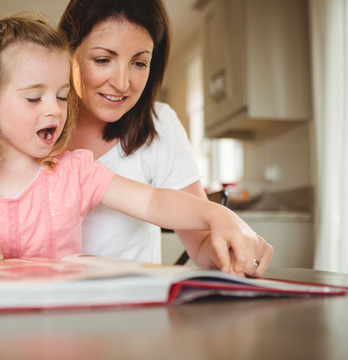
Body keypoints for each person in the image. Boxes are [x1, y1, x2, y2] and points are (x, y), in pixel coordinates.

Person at [0, 14, 270, 277]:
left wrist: (217, 215)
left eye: (62, 97)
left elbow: (152, 201)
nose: (55, 110)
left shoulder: (73, 170)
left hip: (59, 328)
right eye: (33, 99)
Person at [58, 0, 273, 269]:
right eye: (103, 60)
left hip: (135, 304)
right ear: (66, 52)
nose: (123, 83)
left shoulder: (159, 125)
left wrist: (235, 249)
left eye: (139, 63)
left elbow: (201, 241)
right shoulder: (33, 126)